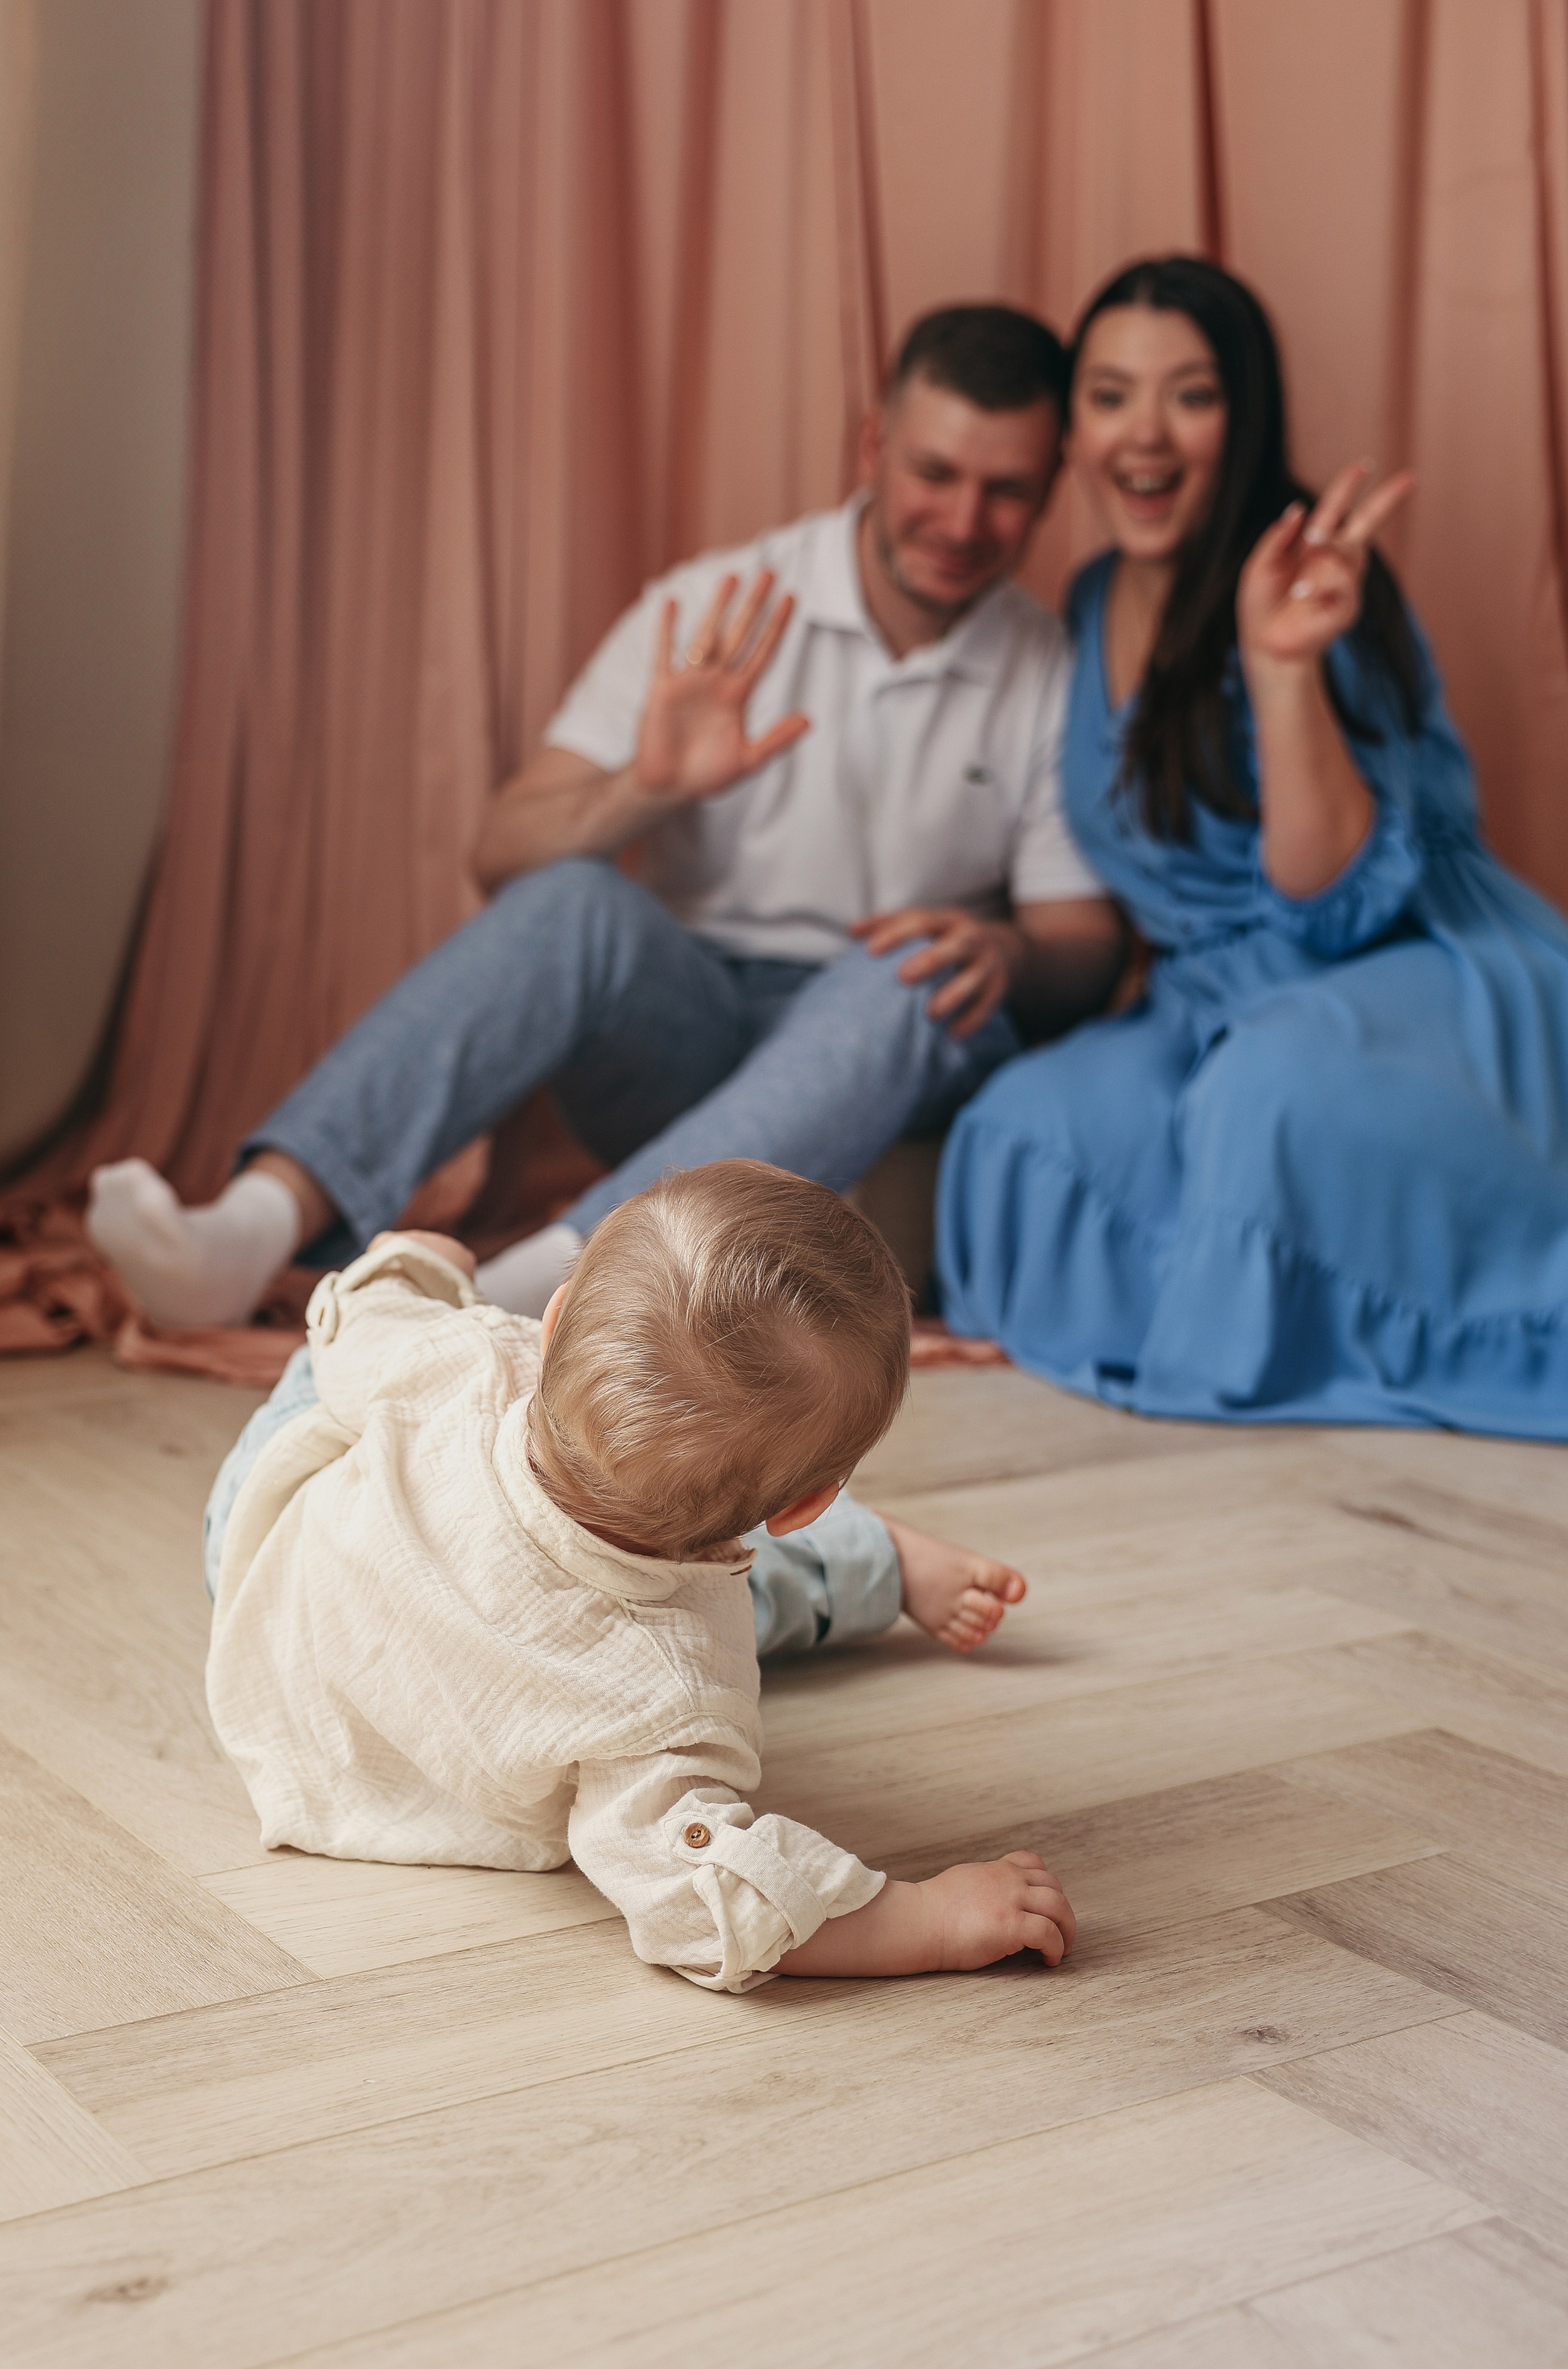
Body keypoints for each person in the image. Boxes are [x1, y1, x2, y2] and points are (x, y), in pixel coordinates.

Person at [87, 305, 1127, 1328]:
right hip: (691, 1017)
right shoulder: (715, 603)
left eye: (1006, 492)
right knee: (575, 897)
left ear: (1047, 497)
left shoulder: (1047, 668)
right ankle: (251, 1228)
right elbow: (503, 853)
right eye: (935, 475)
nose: (961, 522)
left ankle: (523, 1301)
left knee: (906, 979)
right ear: (874, 447)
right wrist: (649, 786)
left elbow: (1082, 947)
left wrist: (1006, 949)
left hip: (884, 1038)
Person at [936, 255, 1568, 1437]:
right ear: (1073, 426)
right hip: (1205, 994)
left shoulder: (1316, 579)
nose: (1148, 435)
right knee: (1026, 1126)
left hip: (1391, 954)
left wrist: (1280, 667)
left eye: (1193, 394)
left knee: (1265, 1100)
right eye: (1112, 395)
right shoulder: (1085, 598)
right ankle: (1174, 1311)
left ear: (1246, 414)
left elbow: (1332, 898)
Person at [204, 1163, 1077, 1991]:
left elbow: (361, 1324)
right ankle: (867, 1558)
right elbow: (705, 1898)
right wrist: (925, 1916)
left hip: (266, 1573)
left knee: (345, 1364)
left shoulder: (473, 1358)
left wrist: (411, 1266)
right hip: (324, 1590)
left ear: (550, 1326)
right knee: (716, 1585)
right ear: (810, 1503)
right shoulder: (670, 1689)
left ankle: (875, 1559)